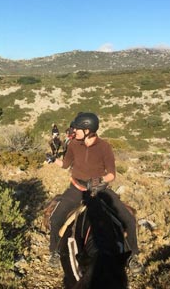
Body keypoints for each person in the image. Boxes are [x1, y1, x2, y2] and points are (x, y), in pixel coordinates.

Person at [47, 112, 144, 274]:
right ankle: (55, 252)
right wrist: (52, 159)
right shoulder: (73, 144)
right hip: (77, 189)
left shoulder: (104, 147)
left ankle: (131, 256)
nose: (74, 131)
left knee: (128, 219)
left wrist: (100, 181)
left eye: (77, 129)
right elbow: (65, 165)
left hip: (99, 191)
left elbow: (112, 174)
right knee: (55, 217)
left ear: (87, 130)